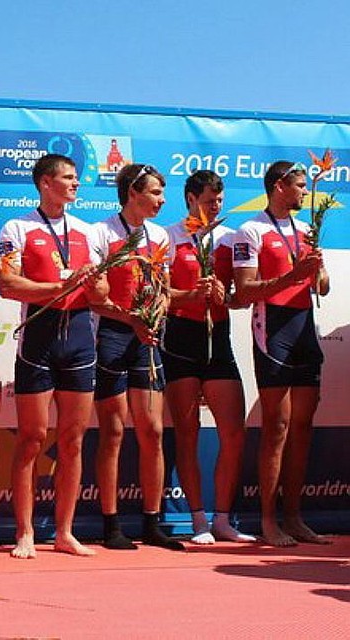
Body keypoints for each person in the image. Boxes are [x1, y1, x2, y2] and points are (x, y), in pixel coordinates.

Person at [0, 154, 107, 558]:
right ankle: (24, 532)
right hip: (38, 340)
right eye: (68, 178)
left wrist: (92, 285)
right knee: (32, 438)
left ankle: (65, 532)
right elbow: (7, 284)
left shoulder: (88, 232)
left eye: (77, 178)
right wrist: (61, 286)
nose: (76, 184)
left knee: (73, 441)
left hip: (79, 338)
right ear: (46, 183)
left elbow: (103, 293)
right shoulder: (17, 228)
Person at [232, 160, 331, 547]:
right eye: (299, 185)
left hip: (304, 328)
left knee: (303, 427)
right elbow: (244, 291)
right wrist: (292, 276)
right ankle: (268, 521)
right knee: (277, 426)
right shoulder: (251, 230)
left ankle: (294, 517)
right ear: (279, 186)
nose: (305, 191)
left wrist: (318, 272)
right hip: (272, 330)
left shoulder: (306, 230)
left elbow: (322, 287)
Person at [91, 163, 184, 551]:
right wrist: (131, 319)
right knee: (113, 432)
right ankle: (111, 524)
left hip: (146, 337)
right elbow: (95, 297)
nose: (162, 200)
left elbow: (164, 288)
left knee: (152, 430)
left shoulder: (160, 235)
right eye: (155, 193)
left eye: (163, 193)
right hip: (112, 335)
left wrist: (155, 315)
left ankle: (151, 521)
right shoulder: (100, 233)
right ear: (133, 193)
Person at [162, 170, 254, 544]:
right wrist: (190, 295)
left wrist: (224, 297)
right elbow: (157, 294)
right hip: (180, 338)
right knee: (188, 434)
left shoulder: (231, 239)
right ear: (190, 199)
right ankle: (198, 520)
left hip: (219, 339)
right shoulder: (169, 237)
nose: (215, 207)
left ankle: (223, 519)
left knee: (233, 433)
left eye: (219, 200)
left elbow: (242, 297)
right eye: (208, 201)